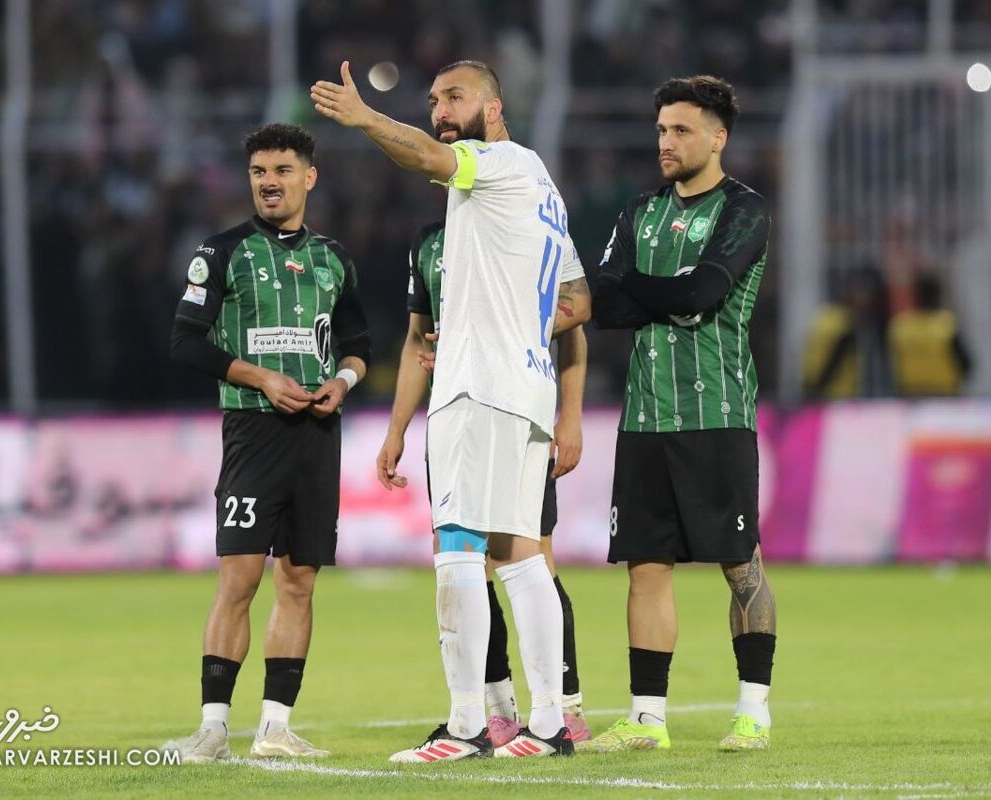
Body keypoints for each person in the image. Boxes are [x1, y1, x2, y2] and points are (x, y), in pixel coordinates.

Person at [312, 60, 591, 760]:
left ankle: (467, 726)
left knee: (459, 549)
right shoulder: (541, 185)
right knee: (520, 554)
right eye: (433, 99)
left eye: (455, 97)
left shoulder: (496, 164)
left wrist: (366, 119)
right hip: (524, 385)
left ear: (493, 108)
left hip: (481, 387)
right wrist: (496, 321)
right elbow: (576, 297)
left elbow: (427, 158)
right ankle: (549, 724)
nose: (439, 110)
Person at [583, 76, 777, 753]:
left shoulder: (744, 210)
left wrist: (636, 287)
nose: (666, 142)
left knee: (740, 565)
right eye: (662, 129)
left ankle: (753, 711)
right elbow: (606, 306)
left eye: (681, 130)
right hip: (644, 418)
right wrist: (658, 291)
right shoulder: (639, 210)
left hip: (717, 412)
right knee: (645, 566)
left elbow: (703, 294)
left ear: (718, 137)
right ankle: (646, 718)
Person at [169, 123, 371, 763]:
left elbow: (358, 345)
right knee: (239, 579)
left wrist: (342, 382)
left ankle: (276, 729)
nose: (269, 182)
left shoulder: (334, 259)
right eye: (259, 172)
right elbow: (185, 342)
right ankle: (212, 729)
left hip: (317, 433)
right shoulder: (221, 252)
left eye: (282, 170)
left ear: (309, 177)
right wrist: (261, 378)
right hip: (253, 432)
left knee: (300, 580)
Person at [376, 218, 591, 747]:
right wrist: (397, 428)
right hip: (454, 411)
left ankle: (564, 707)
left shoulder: (517, 217)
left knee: (527, 553)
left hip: (512, 406)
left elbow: (573, 319)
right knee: (467, 556)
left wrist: (570, 416)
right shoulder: (428, 241)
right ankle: (499, 709)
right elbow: (416, 339)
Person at [887, 273, 972, 396]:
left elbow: (892, 364)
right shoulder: (946, 325)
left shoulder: (901, 326)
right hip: (944, 394)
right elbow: (966, 364)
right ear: (938, 295)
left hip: (911, 394)